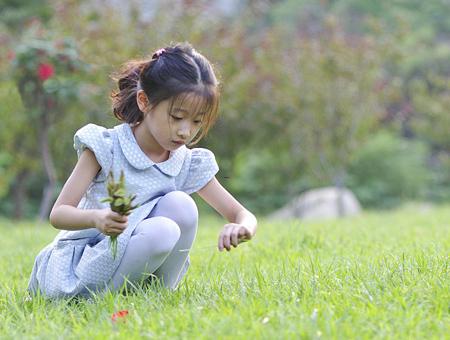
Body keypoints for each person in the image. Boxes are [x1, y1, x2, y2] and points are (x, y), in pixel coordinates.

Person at [28, 42, 257, 298]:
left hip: (133, 256)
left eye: (196, 121)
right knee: (164, 230)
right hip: (83, 265)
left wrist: (242, 227)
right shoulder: (108, 147)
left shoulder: (184, 161)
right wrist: (97, 218)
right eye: (177, 116)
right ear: (144, 101)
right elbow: (59, 214)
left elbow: (241, 213)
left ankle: (158, 295)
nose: (185, 131)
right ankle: (100, 302)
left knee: (181, 204)